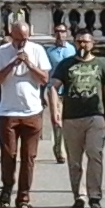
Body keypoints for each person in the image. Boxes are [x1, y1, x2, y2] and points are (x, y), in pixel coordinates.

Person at [0, 18, 51, 208]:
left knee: (28, 157)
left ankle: (23, 197)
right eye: (17, 39)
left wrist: (29, 63)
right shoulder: (2, 51)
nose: (21, 43)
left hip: (32, 111)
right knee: (9, 155)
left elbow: (44, 79)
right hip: (8, 112)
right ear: (11, 36)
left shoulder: (37, 50)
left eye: (24, 39)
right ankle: (7, 186)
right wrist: (11, 64)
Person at [51, 26, 105, 208]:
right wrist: (55, 111)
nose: (82, 45)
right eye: (79, 41)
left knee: (95, 154)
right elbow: (53, 86)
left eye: (86, 41)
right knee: (74, 160)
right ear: (74, 43)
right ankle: (79, 195)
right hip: (71, 117)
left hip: (95, 116)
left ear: (92, 43)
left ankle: (95, 195)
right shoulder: (66, 64)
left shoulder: (101, 63)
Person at [43, 21, 76, 163]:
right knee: (57, 121)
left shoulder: (73, 50)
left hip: (70, 91)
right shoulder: (49, 52)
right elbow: (45, 73)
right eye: (57, 31)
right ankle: (59, 151)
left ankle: (68, 149)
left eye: (62, 31)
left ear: (67, 33)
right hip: (54, 91)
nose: (60, 34)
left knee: (69, 122)